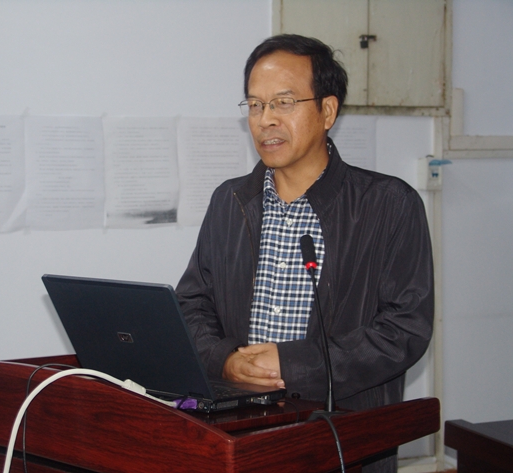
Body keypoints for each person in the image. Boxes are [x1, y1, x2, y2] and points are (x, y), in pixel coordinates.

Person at [175, 34, 434, 473]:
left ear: (327, 111)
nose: (265, 120)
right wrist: (226, 360)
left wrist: (295, 365)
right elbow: (192, 305)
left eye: (284, 102)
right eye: (255, 105)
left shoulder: (388, 204)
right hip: (242, 433)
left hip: (341, 437)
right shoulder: (230, 201)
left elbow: (404, 330)